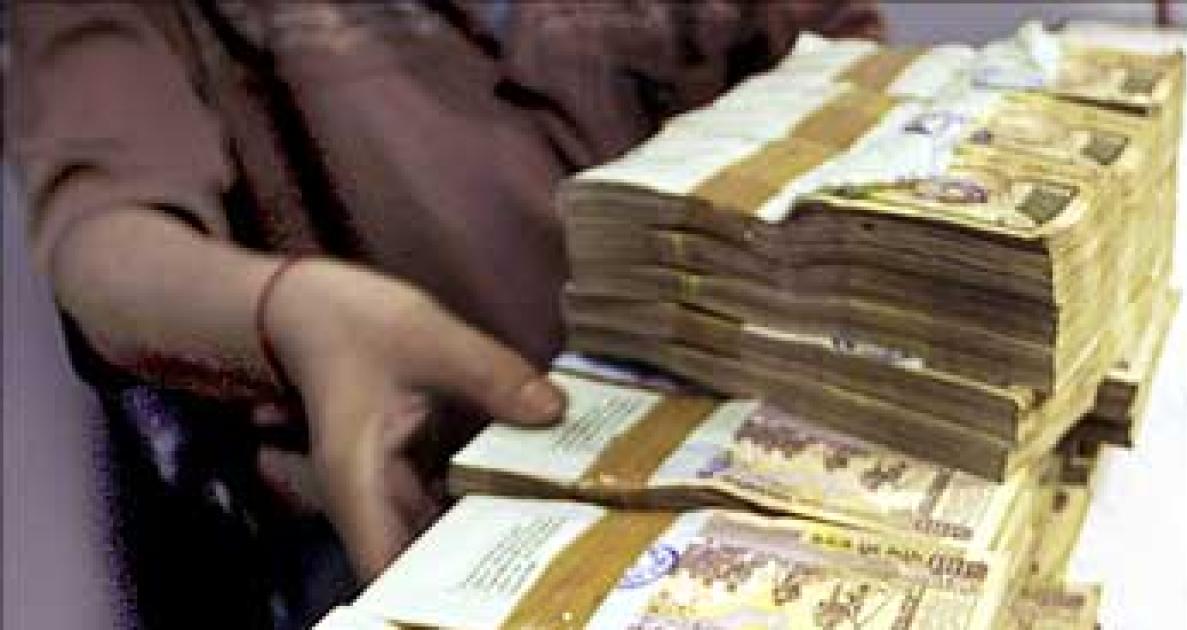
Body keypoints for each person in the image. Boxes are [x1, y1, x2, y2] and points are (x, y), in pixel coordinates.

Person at [10, 1, 883, 627]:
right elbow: (106, 239)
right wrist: (289, 313)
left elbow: (850, 72)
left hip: (749, 451)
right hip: (420, 507)